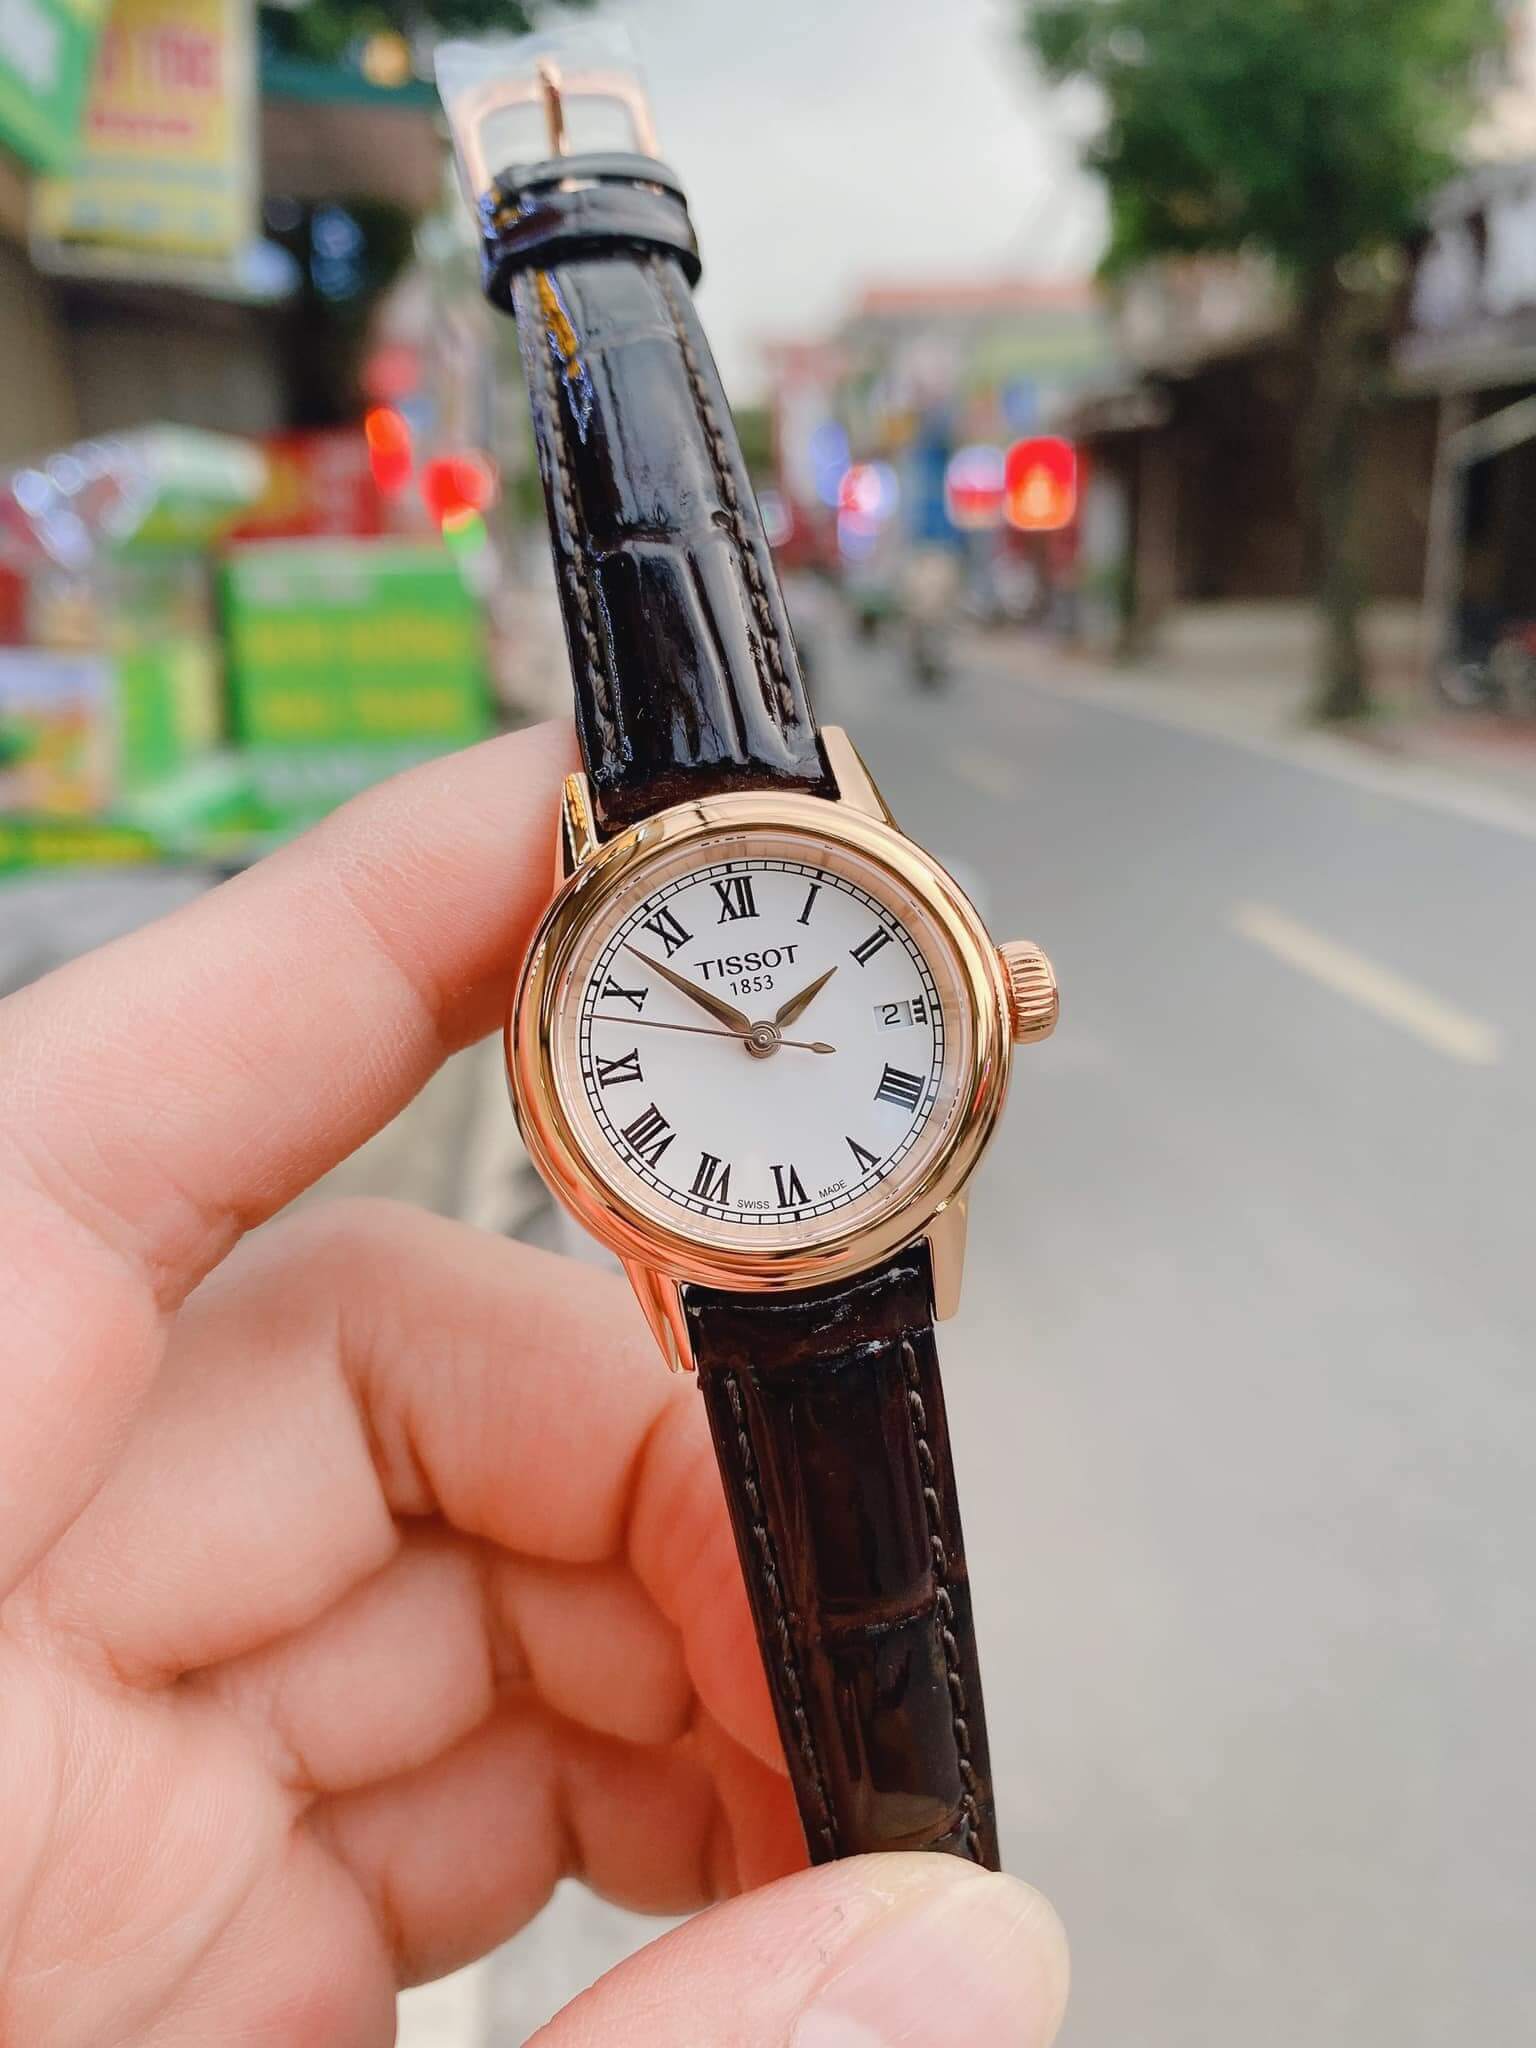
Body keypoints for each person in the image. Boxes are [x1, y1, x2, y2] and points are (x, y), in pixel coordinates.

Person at [0, 726, 1069, 2045]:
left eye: (775, 1021)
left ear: (996, 996)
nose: (756, 1033)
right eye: (734, 1023)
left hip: (870, 1228)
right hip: (754, 1251)